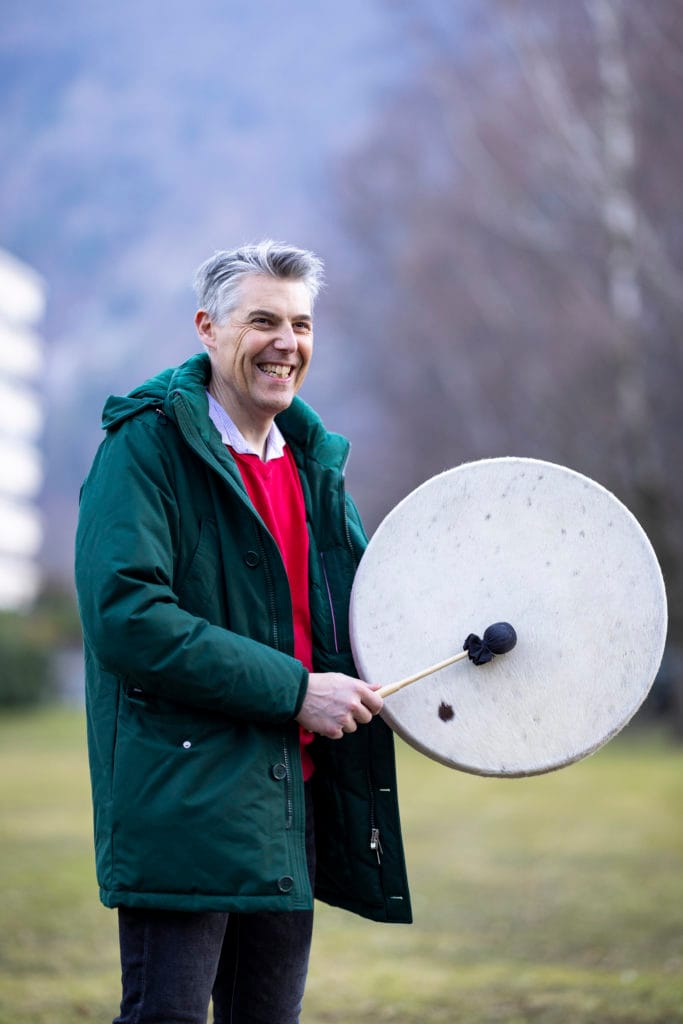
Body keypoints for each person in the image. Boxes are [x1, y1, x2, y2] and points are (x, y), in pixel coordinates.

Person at [75, 240, 412, 1024]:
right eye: (262, 320)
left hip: (290, 803)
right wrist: (297, 692)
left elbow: (358, 614)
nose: (285, 343)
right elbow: (130, 618)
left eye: (299, 323)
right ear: (206, 328)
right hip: (185, 799)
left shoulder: (310, 463)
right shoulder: (145, 448)